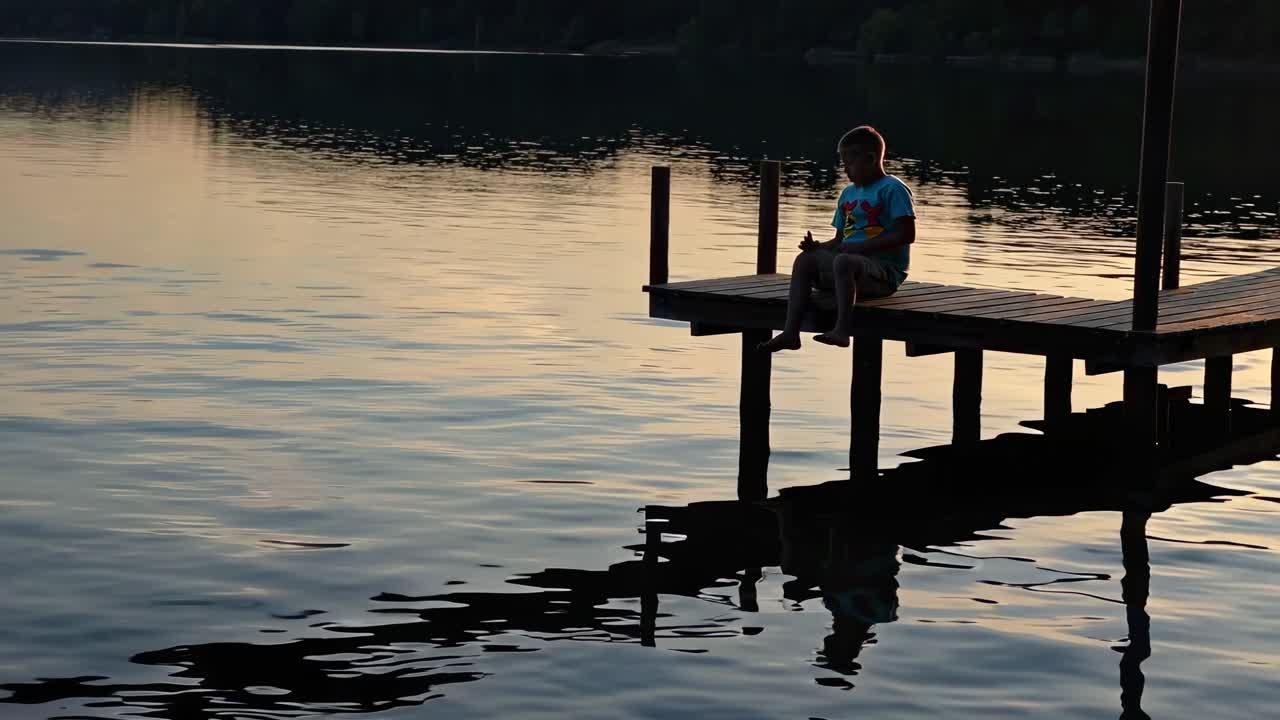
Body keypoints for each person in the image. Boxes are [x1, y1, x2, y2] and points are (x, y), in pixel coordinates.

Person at [759, 126, 916, 352]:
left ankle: (842, 331)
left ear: (870, 159)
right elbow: (839, 241)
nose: (845, 170)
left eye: (849, 163)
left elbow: (906, 235)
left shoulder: (892, 189)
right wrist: (817, 247)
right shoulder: (848, 194)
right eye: (843, 164)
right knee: (805, 260)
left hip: (883, 274)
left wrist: (860, 248)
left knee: (844, 261)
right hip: (851, 270)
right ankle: (790, 333)